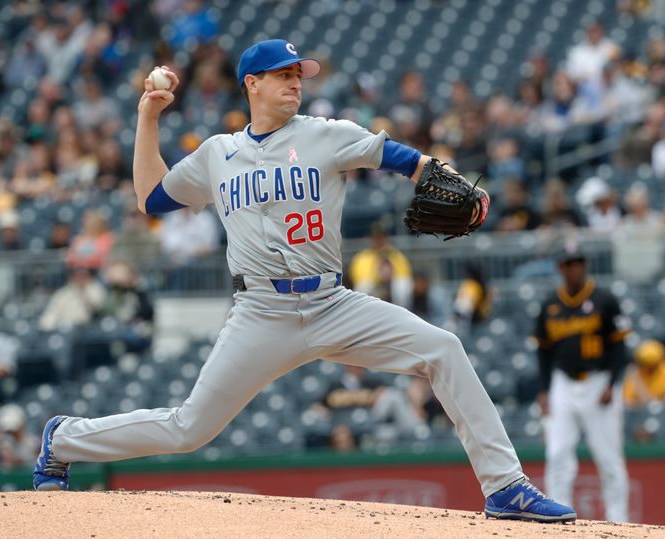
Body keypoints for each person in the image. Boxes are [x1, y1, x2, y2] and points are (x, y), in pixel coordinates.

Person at [32, 39, 575, 522]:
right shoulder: (218, 154)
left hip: (332, 303)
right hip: (261, 313)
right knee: (190, 428)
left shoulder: (327, 135)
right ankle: (65, 439)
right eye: (284, 74)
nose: (296, 82)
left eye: (299, 74)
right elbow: (151, 198)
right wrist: (149, 115)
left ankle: (506, 487)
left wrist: (458, 183)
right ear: (252, 83)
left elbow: (407, 160)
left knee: (443, 348)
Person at [534, 241, 630, 522]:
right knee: (558, 454)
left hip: (598, 383)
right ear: (560, 268)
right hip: (562, 383)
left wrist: (613, 383)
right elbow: (543, 351)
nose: (575, 268)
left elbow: (619, 347)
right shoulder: (550, 305)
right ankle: (558, 519)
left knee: (609, 457)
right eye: (569, 264)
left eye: (579, 263)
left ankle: (619, 521)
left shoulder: (605, 299)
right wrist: (543, 389)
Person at [622, 339, 665, 408]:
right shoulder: (635, 373)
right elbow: (627, 401)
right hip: (641, 413)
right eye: (646, 364)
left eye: (653, 364)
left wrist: (639, 385)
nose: (650, 368)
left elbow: (653, 403)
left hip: (664, 411)